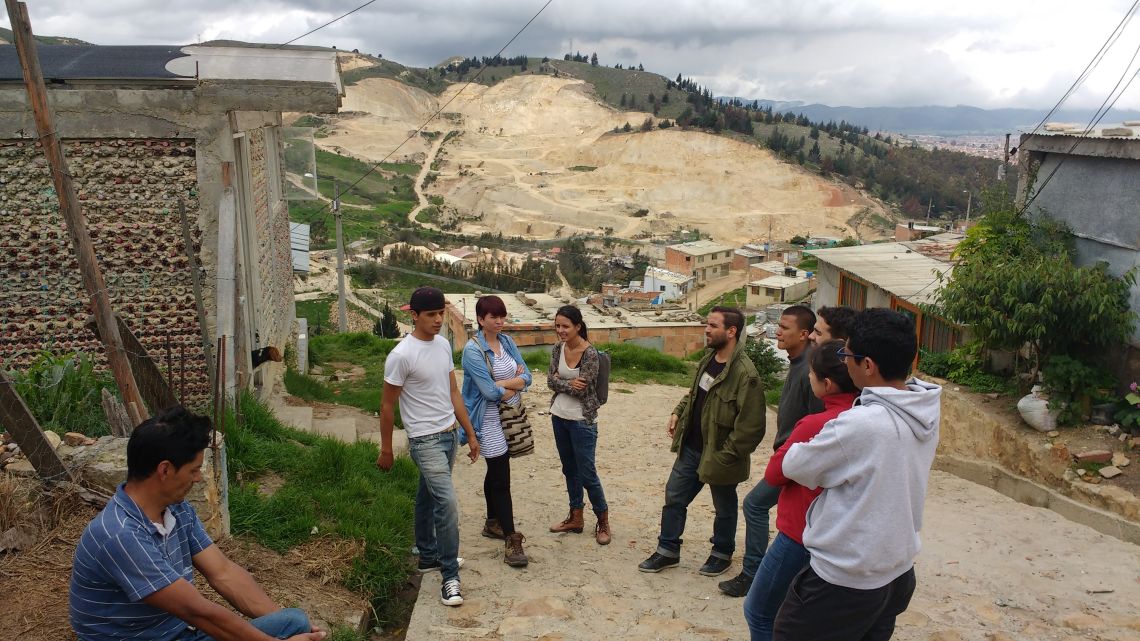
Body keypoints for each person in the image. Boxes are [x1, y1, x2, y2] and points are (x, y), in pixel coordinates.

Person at [69, 407, 325, 641]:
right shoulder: (120, 534)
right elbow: (197, 612)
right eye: (194, 470)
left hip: (179, 633)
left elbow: (223, 572)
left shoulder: (176, 510)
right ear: (165, 470)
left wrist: (283, 625)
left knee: (294, 622)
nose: (199, 478)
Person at [773, 309, 941, 641]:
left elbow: (793, 464)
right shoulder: (924, 406)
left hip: (846, 578)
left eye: (847, 355)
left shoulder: (861, 424)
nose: (844, 362)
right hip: (896, 569)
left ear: (868, 366)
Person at [743, 340, 860, 641]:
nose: (808, 377)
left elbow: (775, 472)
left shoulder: (817, 424)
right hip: (837, 536)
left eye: (811, 373)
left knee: (759, 612)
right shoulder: (864, 417)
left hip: (799, 533)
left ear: (827, 384)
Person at [639, 306, 766, 576]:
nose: (706, 330)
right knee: (674, 498)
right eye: (707, 324)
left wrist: (726, 455)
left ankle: (721, 553)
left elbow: (751, 427)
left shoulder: (745, 374)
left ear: (731, 331)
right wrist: (678, 411)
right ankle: (667, 550)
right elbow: (695, 394)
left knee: (724, 507)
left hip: (720, 454)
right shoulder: (708, 358)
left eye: (713, 326)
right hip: (692, 448)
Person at [376, 287, 480, 607]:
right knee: (446, 503)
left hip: (449, 435)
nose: (438, 320)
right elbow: (387, 405)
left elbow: (453, 392)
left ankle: (427, 556)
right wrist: (386, 449)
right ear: (414, 316)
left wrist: (470, 433)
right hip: (423, 440)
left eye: (441, 313)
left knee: (428, 495)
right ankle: (450, 576)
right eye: (431, 314)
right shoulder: (401, 356)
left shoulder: (443, 345)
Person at [721, 305, 824, 597]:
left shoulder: (809, 370)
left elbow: (818, 423)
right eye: (778, 326)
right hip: (790, 457)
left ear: (803, 334)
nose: (777, 332)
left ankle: (754, 573)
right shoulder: (798, 363)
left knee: (755, 505)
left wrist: (796, 459)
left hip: (797, 461)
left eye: (785, 328)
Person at [460, 295, 533, 567]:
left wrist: (503, 384)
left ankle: (492, 522)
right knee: (501, 477)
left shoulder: (507, 342)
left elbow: (528, 377)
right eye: (494, 317)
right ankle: (511, 539)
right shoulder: (473, 351)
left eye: (502, 316)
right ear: (481, 319)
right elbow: (489, 393)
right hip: (486, 421)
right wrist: (513, 385)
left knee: (495, 471)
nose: (500, 321)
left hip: (508, 418)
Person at [547, 305, 612, 545]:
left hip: (582, 421)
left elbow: (582, 390)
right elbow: (549, 381)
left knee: (587, 473)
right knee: (569, 469)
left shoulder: (590, 353)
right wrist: (567, 383)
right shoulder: (557, 348)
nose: (560, 330)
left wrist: (560, 381)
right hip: (559, 416)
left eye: (565, 326)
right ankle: (576, 517)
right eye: (557, 326)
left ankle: (603, 520)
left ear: (578, 326)